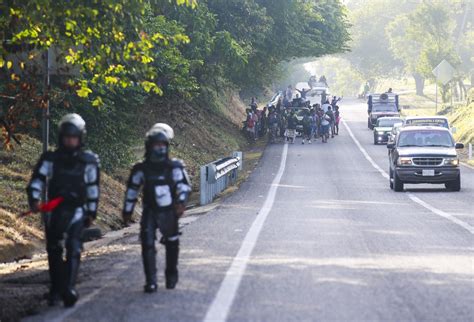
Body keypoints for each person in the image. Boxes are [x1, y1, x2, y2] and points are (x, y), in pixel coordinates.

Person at [26, 113, 100, 307]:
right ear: (61, 137)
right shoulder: (50, 159)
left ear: (80, 138)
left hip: (77, 209)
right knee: (53, 248)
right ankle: (56, 288)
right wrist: (34, 199)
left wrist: (91, 212)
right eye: (67, 137)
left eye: (74, 137)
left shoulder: (88, 161)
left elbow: (93, 187)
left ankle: (69, 287)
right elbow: (37, 181)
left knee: (74, 247)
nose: (70, 141)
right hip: (54, 210)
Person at [122, 123, 191, 293]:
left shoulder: (175, 166)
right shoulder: (141, 168)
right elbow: (132, 190)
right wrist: (127, 210)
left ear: (167, 146)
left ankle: (171, 273)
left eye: (162, 145)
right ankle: (151, 281)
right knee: (147, 243)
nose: (159, 148)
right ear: (149, 146)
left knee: (172, 242)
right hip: (150, 211)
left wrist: (181, 203)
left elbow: (184, 186)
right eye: (156, 145)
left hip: (169, 211)